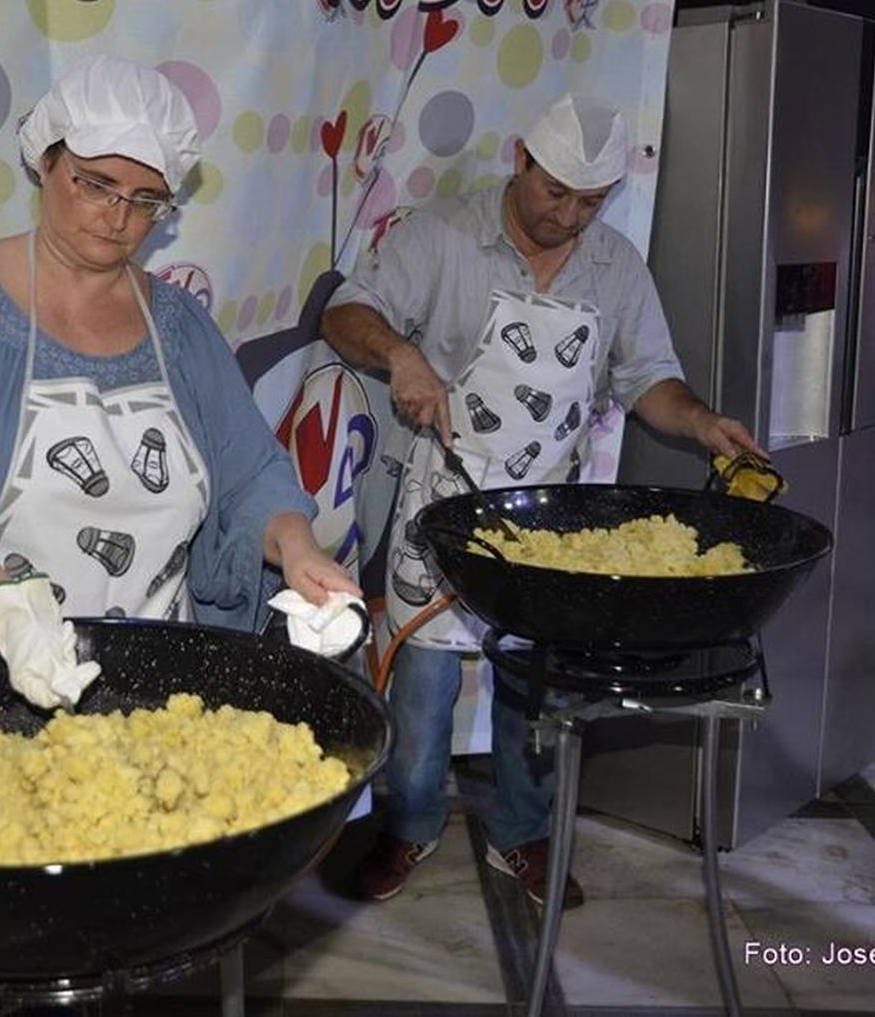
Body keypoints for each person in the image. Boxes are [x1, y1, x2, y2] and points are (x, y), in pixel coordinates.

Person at [320, 92, 760, 907]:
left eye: (590, 202)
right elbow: (346, 312)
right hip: (441, 501)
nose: (569, 215)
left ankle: (520, 835)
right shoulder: (443, 232)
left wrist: (700, 424)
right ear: (521, 159)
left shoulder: (615, 266)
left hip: (546, 519)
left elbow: (646, 381)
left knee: (537, 690)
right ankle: (409, 827)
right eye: (555, 192)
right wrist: (402, 357)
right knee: (421, 688)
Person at [0, 55, 359, 707]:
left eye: (145, 201)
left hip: (149, 682)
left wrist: (298, 544)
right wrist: (4, 599)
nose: (117, 217)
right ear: (45, 164)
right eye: (96, 184)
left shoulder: (179, 327)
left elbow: (252, 472)